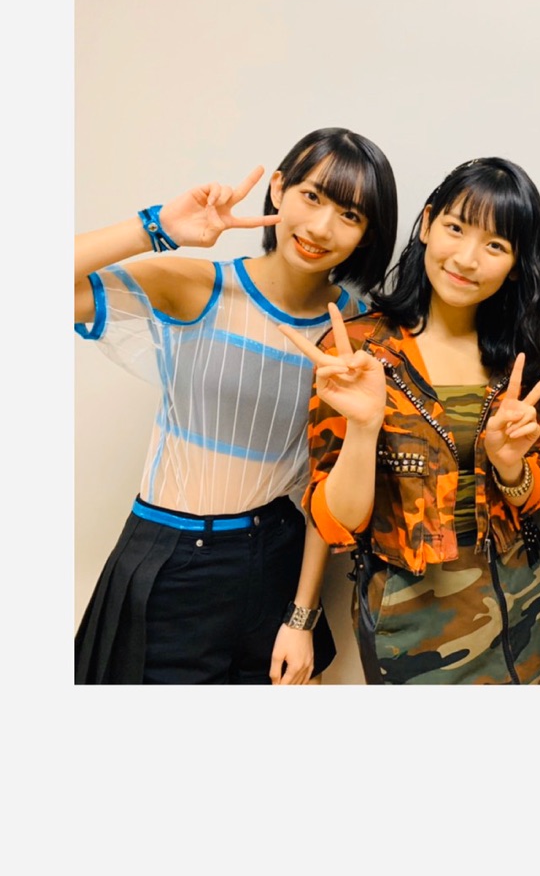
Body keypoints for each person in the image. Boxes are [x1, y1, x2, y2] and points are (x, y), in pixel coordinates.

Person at [74, 127, 398, 684]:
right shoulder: (199, 288)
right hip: (170, 556)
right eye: (312, 196)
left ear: (367, 234)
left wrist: (302, 615)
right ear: (279, 188)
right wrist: (157, 228)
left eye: (350, 215)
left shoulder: (359, 331)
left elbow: (323, 486)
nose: (321, 227)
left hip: (278, 560)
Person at [281, 157, 540, 684]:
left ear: (515, 264)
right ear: (428, 223)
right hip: (410, 629)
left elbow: (532, 500)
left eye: (495, 245)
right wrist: (363, 427)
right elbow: (336, 522)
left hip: (526, 617)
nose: (467, 258)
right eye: (456, 228)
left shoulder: (519, 361)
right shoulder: (360, 350)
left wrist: (510, 467)